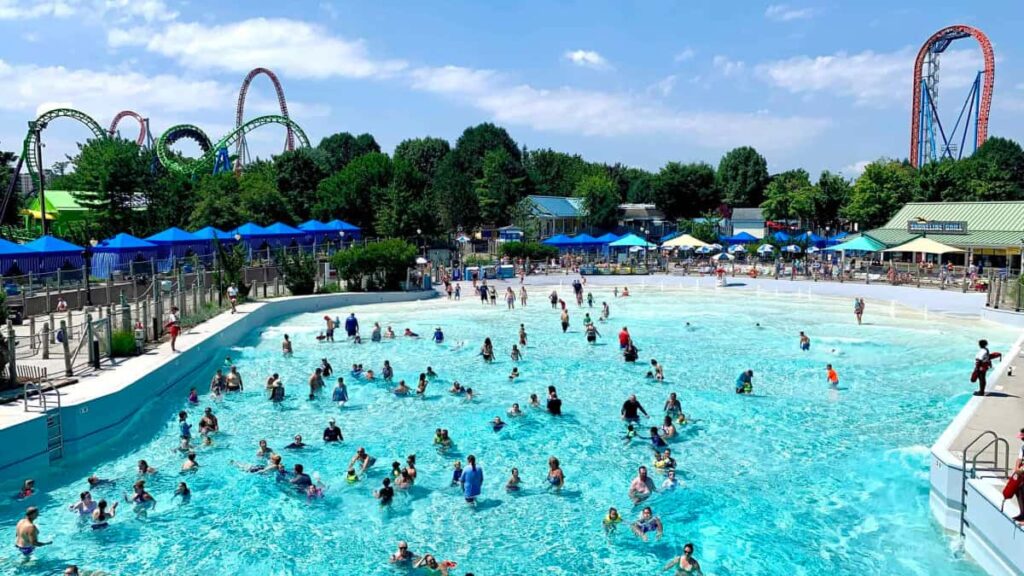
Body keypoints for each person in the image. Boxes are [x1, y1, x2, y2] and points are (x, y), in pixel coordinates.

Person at [1012, 428, 1024, 523]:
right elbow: (1019, 458)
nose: (1021, 439)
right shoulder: (1023, 445)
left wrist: (1021, 470)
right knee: (1018, 489)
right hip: (1022, 471)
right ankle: (1022, 513)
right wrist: (1016, 469)